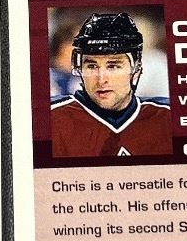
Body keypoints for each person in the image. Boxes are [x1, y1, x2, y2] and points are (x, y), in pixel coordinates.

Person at [51, 12, 170, 159]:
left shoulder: (167, 117)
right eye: (92, 66)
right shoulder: (52, 118)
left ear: (136, 69)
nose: (101, 79)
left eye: (113, 66)